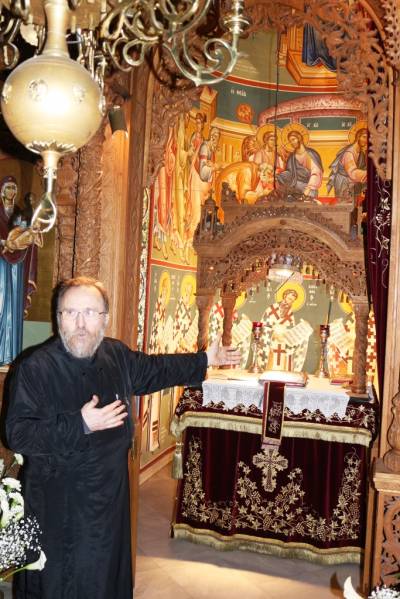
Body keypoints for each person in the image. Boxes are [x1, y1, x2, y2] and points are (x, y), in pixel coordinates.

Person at [6, 276, 241, 599]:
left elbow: (155, 369)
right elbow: (17, 434)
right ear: (58, 317)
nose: (80, 323)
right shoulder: (34, 367)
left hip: (108, 500)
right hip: (57, 505)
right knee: (59, 584)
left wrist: (204, 360)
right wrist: (80, 423)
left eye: (90, 312)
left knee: (104, 579)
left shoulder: (116, 355)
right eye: (70, 312)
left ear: (104, 318)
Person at [0, 176, 40, 366]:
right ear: (2, 191)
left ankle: (10, 356)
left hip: (17, 265)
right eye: (8, 188)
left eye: (13, 188)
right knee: (1, 304)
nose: (11, 191)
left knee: (13, 306)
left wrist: (32, 232)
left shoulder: (19, 213)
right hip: (1, 264)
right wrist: (4, 243)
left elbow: (27, 234)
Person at [277, 128, 323, 200]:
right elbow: (289, 173)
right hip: (295, 187)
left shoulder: (310, 154)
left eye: (293, 139)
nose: (292, 143)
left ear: (299, 138)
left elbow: (316, 173)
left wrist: (308, 189)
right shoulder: (292, 157)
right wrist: (278, 176)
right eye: (290, 141)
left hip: (309, 188)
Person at [326, 126, 367, 201]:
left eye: (367, 138)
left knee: (354, 205)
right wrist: (368, 174)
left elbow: (363, 167)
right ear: (358, 137)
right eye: (364, 137)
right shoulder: (349, 152)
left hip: (354, 184)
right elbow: (352, 172)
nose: (366, 140)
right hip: (344, 183)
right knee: (344, 205)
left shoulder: (361, 153)